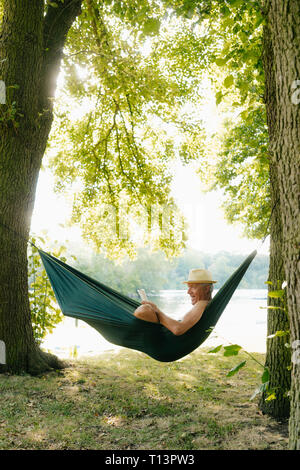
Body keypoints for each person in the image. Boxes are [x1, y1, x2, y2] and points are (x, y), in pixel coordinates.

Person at [134, 268, 217, 336]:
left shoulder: (201, 304)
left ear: (206, 289)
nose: (188, 292)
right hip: (168, 340)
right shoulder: (207, 305)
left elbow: (178, 329)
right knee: (146, 309)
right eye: (188, 287)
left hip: (165, 344)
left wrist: (156, 310)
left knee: (144, 310)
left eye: (193, 287)